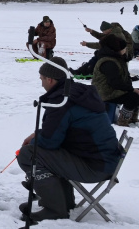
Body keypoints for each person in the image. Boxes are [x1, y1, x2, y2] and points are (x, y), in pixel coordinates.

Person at [16, 57, 121, 223]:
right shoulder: (78, 93)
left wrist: (35, 141)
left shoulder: (62, 101)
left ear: (50, 79)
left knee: (29, 154)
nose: (41, 82)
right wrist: (38, 133)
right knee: (47, 152)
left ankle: (55, 209)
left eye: (42, 78)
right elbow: (64, 130)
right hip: (105, 159)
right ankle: (65, 203)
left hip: (95, 166)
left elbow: (50, 142)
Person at [89, 34, 139, 126]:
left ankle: (132, 118)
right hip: (105, 93)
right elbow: (115, 83)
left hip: (112, 90)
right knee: (133, 96)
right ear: (117, 49)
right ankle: (123, 120)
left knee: (136, 93)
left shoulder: (117, 59)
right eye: (124, 48)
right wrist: (131, 90)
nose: (126, 50)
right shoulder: (108, 62)